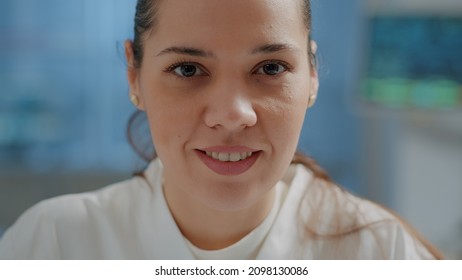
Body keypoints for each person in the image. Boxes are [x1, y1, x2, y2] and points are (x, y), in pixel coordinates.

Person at [0, 0, 442, 259]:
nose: (233, 115)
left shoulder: (379, 251)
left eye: (270, 67)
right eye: (188, 68)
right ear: (134, 76)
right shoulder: (54, 243)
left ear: (312, 75)